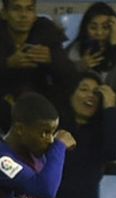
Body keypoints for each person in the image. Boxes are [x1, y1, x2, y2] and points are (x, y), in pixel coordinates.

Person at [65, 2, 116, 162]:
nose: (99, 33)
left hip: (115, 112)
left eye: (105, 27)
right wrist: (79, 67)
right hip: (85, 112)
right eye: (93, 27)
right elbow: (63, 84)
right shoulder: (75, 51)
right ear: (85, 28)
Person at [47, 72, 116, 198]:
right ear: (71, 94)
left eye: (96, 93)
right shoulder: (53, 127)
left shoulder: (102, 131)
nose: (90, 96)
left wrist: (110, 108)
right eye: (84, 90)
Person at [0, 0, 78, 133]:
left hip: (40, 100)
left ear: (35, 13)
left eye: (29, 9)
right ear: (4, 13)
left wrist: (52, 60)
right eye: (17, 9)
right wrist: (7, 63)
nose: (23, 15)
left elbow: (70, 75)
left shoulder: (46, 31)